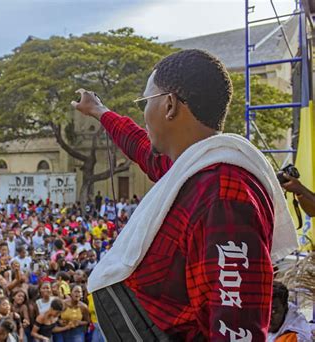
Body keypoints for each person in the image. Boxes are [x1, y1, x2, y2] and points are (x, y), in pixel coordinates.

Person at [72, 49, 297, 340]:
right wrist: (100, 112)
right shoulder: (196, 172)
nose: (144, 113)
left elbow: (236, 326)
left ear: (169, 105)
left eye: (145, 102)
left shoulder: (224, 194)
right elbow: (144, 150)